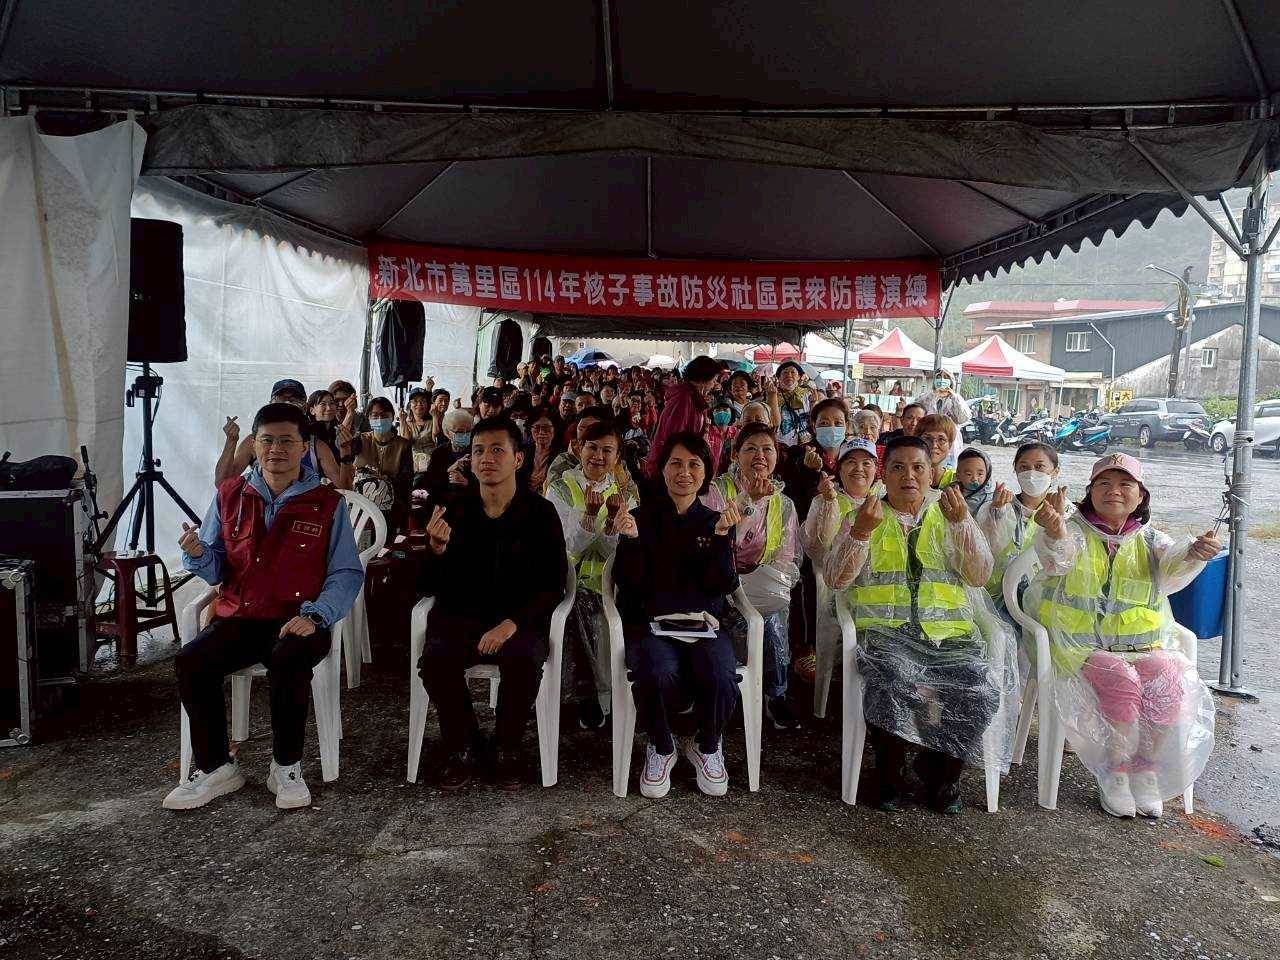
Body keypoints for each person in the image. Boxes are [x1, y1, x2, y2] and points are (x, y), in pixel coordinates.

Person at [165, 403, 363, 812]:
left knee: (289, 660)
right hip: (242, 616)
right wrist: (199, 553)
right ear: (253, 445)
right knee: (190, 662)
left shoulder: (327, 503)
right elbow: (217, 566)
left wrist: (316, 615)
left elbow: (346, 572)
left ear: (305, 447)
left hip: (300, 617)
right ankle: (217, 767)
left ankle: (286, 766)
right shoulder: (230, 495)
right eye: (267, 440)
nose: (277, 449)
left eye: (287, 441)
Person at [824, 436, 1018, 813]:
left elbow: (979, 575)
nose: (908, 476)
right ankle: (889, 774)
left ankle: (941, 773)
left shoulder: (950, 514)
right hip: (885, 634)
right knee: (891, 680)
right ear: (885, 473)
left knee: (981, 688)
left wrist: (962, 524)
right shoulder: (862, 515)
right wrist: (861, 532)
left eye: (918, 467)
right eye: (898, 467)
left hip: (949, 635)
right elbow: (836, 579)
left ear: (933, 473)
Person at [1025, 453, 1220, 819]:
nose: (1114, 491)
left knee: (1170, 675)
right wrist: (1053, 532)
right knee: (1122, 681)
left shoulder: (1150, 541)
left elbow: (1175, 565)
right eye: (1104, 483)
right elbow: (1058, 558)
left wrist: (1195, 553)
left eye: (1125, 484)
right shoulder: (1074, 530)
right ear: (1090, 492)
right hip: (1078, 645)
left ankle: (1145, 768)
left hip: (1141, 644)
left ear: (1140, 495)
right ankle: (1115, 771)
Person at [416, 417, 569, 791]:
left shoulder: (540, 513)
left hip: (518, 620)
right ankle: (463, 745)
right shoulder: (453, 508)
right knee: (436, 660)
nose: (487, 458)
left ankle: (507, 747)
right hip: (461, 616)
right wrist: (434, 550)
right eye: (479, 450)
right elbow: (427, 586)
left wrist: (511, 623)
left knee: (522, 657)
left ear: (518, 459)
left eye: (497, 449)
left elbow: (553, 585)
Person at [614, 433, 741, 798]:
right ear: (662, 469)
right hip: (652, 625)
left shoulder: (716, 520)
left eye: (694, 464)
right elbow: (629, 583)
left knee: (720, 675)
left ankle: (707, 745)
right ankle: (661, 745)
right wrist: (632, 541)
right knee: (656, 671)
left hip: (705, 626)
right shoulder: (641, 517)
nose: (684, 472)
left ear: (705, 473)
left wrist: (720, 538)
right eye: (676, 463)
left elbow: (723, 583)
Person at [703, 424, 801, 731]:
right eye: (751, 449)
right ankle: (724, 689)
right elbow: (713, 545)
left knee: (771, 617)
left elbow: (786, 558)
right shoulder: (717, 492)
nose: (760, 456)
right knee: (743, 617)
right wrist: (749, 503)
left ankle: (775, 694)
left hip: (758, 585)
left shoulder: (783, 504)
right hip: (715, 579)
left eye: (767, 449)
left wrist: (774, 584)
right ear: (735, 455)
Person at [546, 420, 639, 731]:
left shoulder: (627, 493)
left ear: (617, 456)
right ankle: (583, 695)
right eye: (592, 448)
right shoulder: (560, 487)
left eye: (607, 450)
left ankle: (616, 696)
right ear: (578, 449)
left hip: (615, 584)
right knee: (578, 607)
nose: (598, 456)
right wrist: (588, 516)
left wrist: (613, 520)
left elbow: (625, 547)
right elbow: (562, 544)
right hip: (569, 581)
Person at [978, 441, 1065, 612]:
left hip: (1046, 601)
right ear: (1015, 471)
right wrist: (995, 515)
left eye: (1039, 466)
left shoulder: (1067, 511)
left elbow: (1065, 562)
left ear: (1055, 472)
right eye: (1024, 467)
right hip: (998, 597)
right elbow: (984, 552)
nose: (1031, 473)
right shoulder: (1001, 506)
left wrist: (1059, 522)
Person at [216, 379, 343, 486]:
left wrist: (346, 452)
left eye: (294, 400)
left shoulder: (315, 446)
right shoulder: (253, 441)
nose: (287, 404)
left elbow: (344, 488)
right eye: (281, 399)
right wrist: (231, 441)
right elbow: (222, 483)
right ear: (271, 404)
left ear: (304, 407)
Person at [643, 355, 722, 480]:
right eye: (714, 380)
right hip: (672, 471)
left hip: (681, 467)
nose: (714, 385)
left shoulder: (693, 398)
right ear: (703, 379)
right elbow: (675, 439)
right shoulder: (683, 399)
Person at [350, 396, 414, 532]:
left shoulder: (403, 445)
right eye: (375, 415)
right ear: (368, 418)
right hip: (362, 504)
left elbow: (407, 479)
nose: (379, 420)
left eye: (384, 415)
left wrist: (386, 480)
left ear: (392, 417)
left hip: (391, 506)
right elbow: (346, 458)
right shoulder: (361, 440)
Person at [914, 370, 971, 465]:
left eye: (945, 377)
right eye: (939, 377)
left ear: (951, 381)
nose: (942, 380)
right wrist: (934, 395)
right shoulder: (926, 397)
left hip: (949, 444)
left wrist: (953, 397)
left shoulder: (956, 399)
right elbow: (917, 410)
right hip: (929, 440)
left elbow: (963, 418)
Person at [420, 408, 476, 501]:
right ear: (447, 433)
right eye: (460, 432)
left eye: (468, 431)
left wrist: (467, 482)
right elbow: (429, 484)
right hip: (444, 503)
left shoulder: (477, 451)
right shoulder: (438, 453)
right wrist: (449, 470)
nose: (465, 435)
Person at [766, 361, 822, 446]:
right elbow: (771, 421)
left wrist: (815, 403)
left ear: (799, 376)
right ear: (779, 377)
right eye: (785, 373)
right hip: (780, 442)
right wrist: (771, 397)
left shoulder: (807, 394)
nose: (789, 375)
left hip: (806, 441)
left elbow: (815, 419)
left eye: (793, 372)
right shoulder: (773, 394)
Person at [399, 386, 442, 473]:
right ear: (410, 405)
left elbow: (436, 438)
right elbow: (406, 442)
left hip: (432, 465)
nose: (419, 404)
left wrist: (435, 416)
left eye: (423, 401)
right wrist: (402, 421)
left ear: (427, 405)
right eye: (415, 401)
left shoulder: (433, 421)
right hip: (413, 466)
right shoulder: (406, 423)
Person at [522, 405, 562, 494]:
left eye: (546, 428)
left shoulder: (561, 454)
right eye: (537, 428)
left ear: (554, 429)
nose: (541, 432)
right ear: (530, 429)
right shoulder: (523, 452)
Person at [915, 414, 957, 491]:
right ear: (917, 442)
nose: (934, 445)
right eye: (927, 438)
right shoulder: (908, 477)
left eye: (941, 439)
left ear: (950, 445)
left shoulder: (957, 480)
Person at [954, 447, 994, 517]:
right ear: (958, 476)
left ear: (987, 475)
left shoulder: (990, 498)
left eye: (980, 474)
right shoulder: (952, 492)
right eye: (969, 474)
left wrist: (998, 507)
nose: (974, 479)